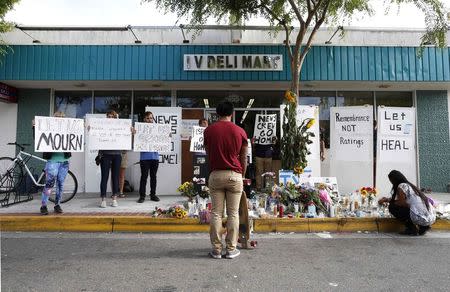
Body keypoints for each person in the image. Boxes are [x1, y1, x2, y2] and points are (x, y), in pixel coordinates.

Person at [204, 101, 248, 259]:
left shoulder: (209, 131)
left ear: (217, 113)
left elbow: (208, 154)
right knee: (233, 214)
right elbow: (244, 157)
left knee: (216, 213)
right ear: (232, 113)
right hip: (235, 175)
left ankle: (216, 249)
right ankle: (231, 249)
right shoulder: (240, 131)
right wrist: (242, 174)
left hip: (216, 174)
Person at [378, 170, 436, 235]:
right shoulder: (411, 186)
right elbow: (404, 201)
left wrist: (389, 202)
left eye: (391, 180)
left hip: (420, 218)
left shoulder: (401, 186)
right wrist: (387, 200)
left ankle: (411, 229)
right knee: (408, 207)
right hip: (430, 218)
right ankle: (423, 227)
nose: (391, 183)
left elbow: (402, 203)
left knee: (392, 207)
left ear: (394, 179)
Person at [37, 111, 71, 215]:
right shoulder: (48, 129)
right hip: (52, 161)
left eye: (62, 117)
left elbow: (76, 137)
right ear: (53, 118)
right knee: (49, 184)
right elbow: (38, 137)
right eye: (57, 117)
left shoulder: (68, 129)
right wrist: (34, 126)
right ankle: (44, 205)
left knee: (60, 184)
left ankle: (57, 205)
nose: (59, 119)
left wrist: (83, 128)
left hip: (64, 162)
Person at [98, 110, 122, 208]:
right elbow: (95, 136)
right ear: (106, 117)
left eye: (113, 116)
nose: (110, 118)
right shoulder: (101, 127)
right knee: (104, 177)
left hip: (117, 154)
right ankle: (103, 199)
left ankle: (114, 199)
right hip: (105, 154)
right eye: (109, 116)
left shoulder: (120, 127)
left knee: (115, 177)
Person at [137, 111, 160, 203]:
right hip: (144, 158)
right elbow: (136, 141)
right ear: (144, 119)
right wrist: (134, 133)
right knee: (144, 177)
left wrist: (167, 136)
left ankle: (153, 195)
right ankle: (142, 196)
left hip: (155, 157)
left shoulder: (158, 129)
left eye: (151, 118)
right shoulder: (140, 129)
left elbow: (162, 140)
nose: (149, 120)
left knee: (153, 177)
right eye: (147, 118)